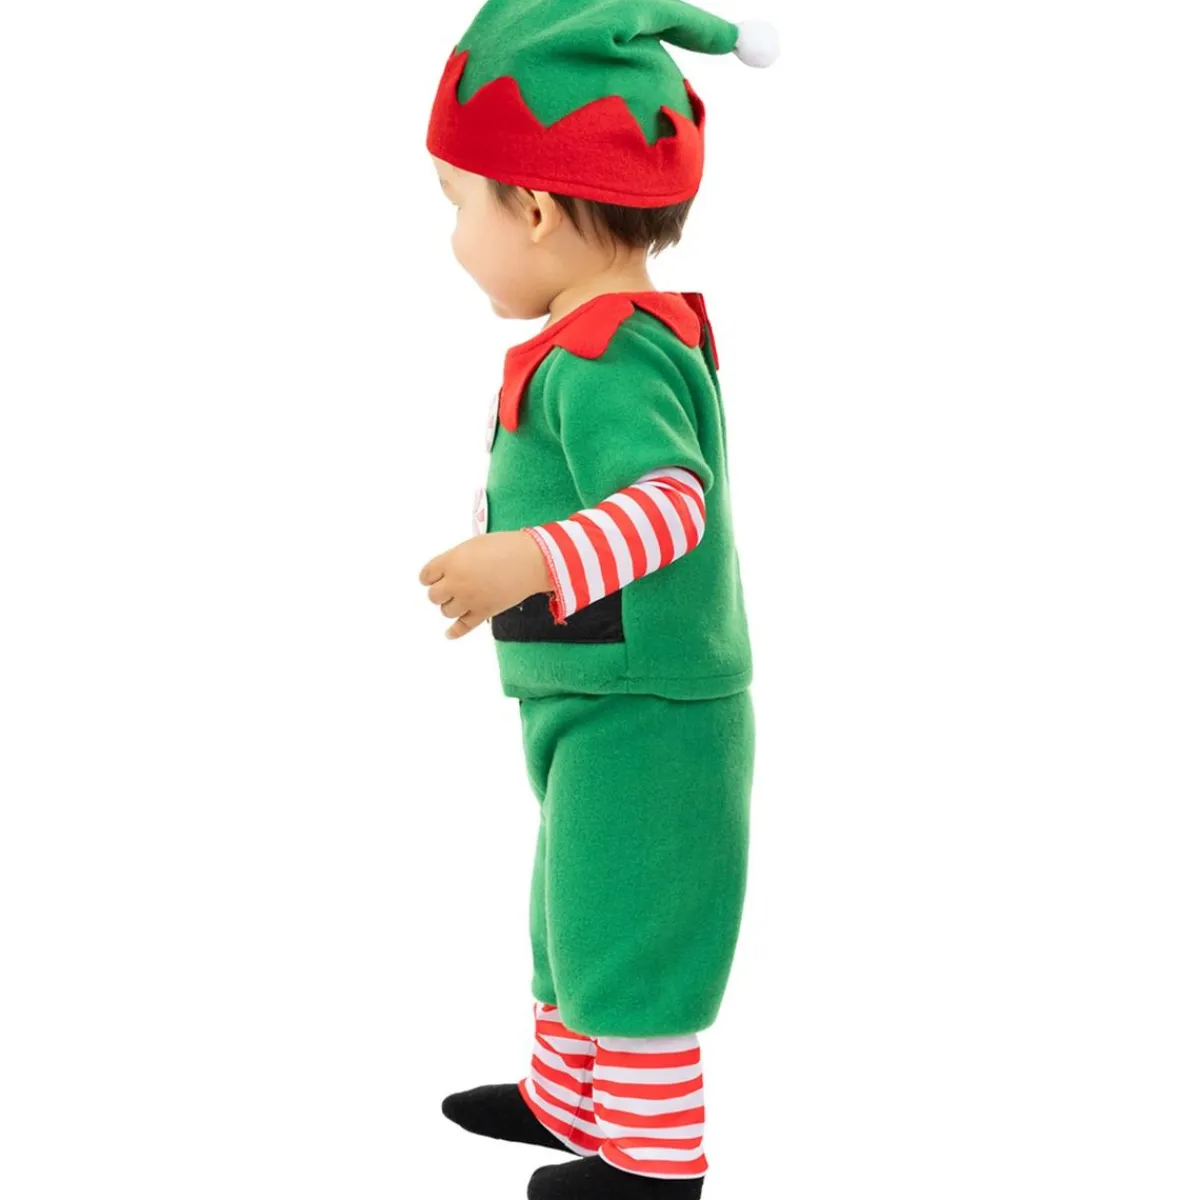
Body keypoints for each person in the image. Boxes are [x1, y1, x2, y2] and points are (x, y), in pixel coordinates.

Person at [418, 3, 779, 1195]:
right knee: (571, 907)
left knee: (633, 923)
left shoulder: (614, 349)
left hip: (651, 713)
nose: (454, 239)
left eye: (458, 205)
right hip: (593, 696)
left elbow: (671, 504)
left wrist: (524, 562)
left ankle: (654, 1161)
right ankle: (566, 1096)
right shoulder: (585, 336)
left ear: (532, 207)